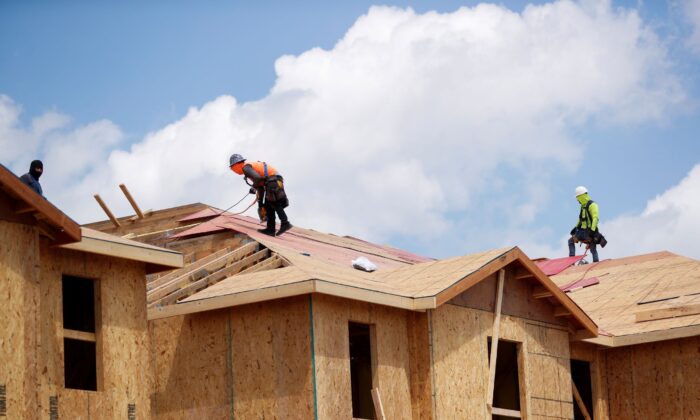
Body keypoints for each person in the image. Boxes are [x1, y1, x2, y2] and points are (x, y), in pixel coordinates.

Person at [229, 154, 292, 237]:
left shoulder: (246, 168)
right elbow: (261, 186)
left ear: (235, 165)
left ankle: (285, 223)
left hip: (273, 180)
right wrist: (260, 204)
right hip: (274, 181)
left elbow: (258, 179)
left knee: (274, 202)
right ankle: (271, 229)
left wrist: (253, 187)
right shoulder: (249, 168)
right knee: (268, 205)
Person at [568, 186, 606, 262]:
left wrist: (592, 231)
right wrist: (576, 228)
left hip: (589, 232)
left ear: (581, 196)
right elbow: (580, 218)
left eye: (577, 197)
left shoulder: (593, 205)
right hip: (583, 232)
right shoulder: (582, 206)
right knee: (592, 247)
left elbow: (595, 218)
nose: (577, 199)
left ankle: (571, 261)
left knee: (572, 241)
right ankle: (596, 262)